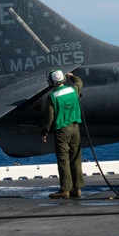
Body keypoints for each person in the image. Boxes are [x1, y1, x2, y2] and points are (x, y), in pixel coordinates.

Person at [42, 69, 84, 198]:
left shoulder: (52, 96)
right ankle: (77, 189)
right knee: (76, 158)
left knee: (63, 159)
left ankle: (65, 190)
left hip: (62, 130)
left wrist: (45, 132)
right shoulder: (73, 90)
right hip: (75, 128)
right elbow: (79, 82)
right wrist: (72, 76)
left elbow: (50, 117)